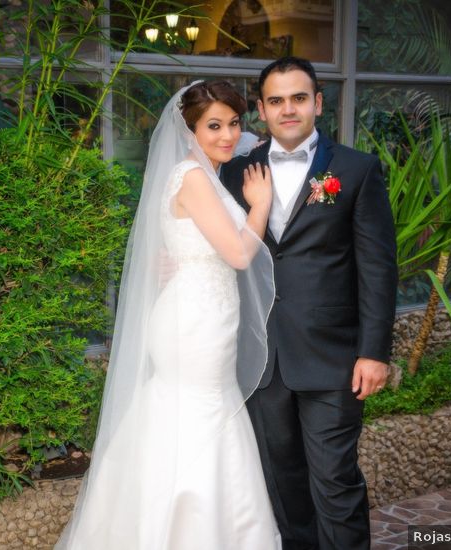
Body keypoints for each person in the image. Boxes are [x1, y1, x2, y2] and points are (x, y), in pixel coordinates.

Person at [56, 81, 281, 549]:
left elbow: (187, 246)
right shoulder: (193, 178)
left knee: (188, 412)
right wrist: (260, 206)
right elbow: (240, 255)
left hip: (199, 313)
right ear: (189, 130)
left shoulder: (197, 175)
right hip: (194, 324)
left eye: (234, 123)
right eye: (213, 125)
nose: (227, 135)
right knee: (200, 412)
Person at [219, 57, 398, 550]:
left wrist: (375, 351)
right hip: (260, 360)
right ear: (261, 110)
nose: (288, 109)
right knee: (284, 487)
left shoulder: (356, 170)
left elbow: (379, 268)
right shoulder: (233, 174)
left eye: (299, 98)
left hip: (333, 359)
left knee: (335, 482)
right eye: (276, 101)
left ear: (318, 102)